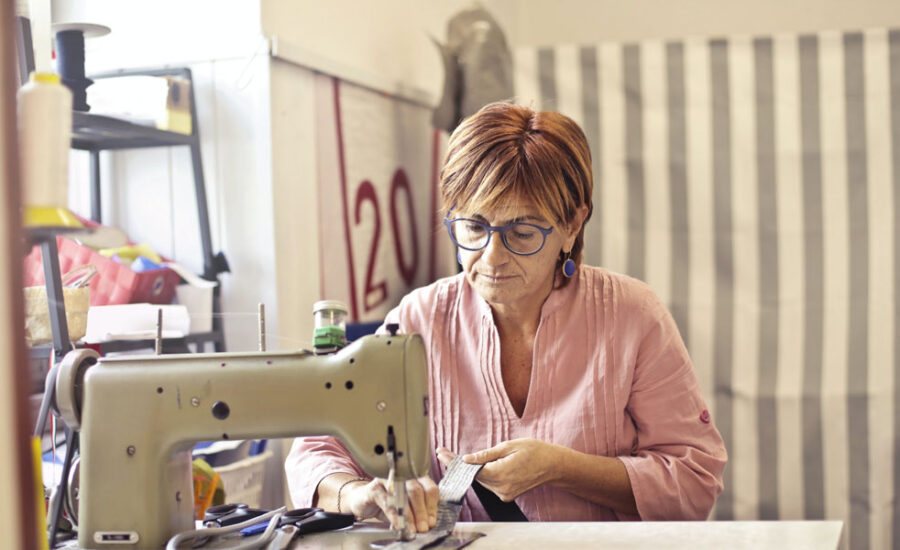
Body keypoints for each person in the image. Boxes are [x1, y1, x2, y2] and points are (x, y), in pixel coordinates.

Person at [285, 102, 727, 533]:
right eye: (474, 228)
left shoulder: (631, 316)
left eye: (522, 232)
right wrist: (356, 495)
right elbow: (315, 449)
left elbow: (695, 481)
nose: (491, 257)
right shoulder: (419, 318)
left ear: (572, 225)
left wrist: (563, 468)